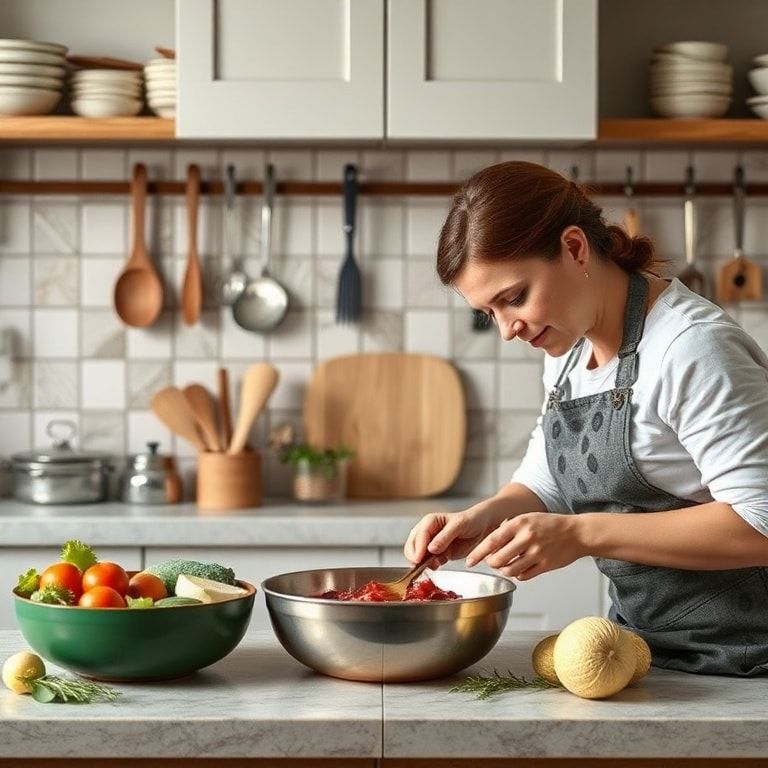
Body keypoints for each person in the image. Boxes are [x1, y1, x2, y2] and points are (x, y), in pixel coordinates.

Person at [404, 160, 768, 676]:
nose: (508, 329)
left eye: (514, 298)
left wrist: (582, 535)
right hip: (643, 652)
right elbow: (547, 479)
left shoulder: (693, 349)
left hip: (751, 662)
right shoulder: (568, 350)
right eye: (489, 313)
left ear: (575, 249)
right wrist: (484, 517)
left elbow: (762, 520)